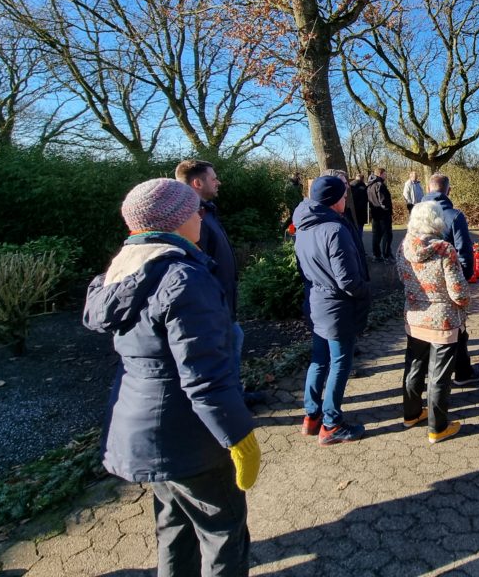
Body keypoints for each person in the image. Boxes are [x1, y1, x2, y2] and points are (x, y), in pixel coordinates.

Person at [84, 178, 259, 576]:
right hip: (190, 436)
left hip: (143, 431)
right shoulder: (183, 278)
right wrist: (239, 436)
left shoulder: (123, 272)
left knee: (173, 526)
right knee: (223, 532)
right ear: (177, 219)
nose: (202, 215)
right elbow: (205, 377)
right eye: (194, 209)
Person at [294, 175, 371, 445]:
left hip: (316, 302)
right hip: (337, 308)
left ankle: (311, 415)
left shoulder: (303, 226)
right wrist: (365, 290)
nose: (345, 199)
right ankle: (332, 423)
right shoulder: (334, 230)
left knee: (319, 360)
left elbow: (303, 270)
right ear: (333, 199)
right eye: (343, 195)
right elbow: (348, 280)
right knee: (339, 364)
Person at [174, 160, 256, 406]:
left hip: (223, 302)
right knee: (226, 348)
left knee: (234, 341)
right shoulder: (190, 218)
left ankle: (234, 396)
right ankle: (228, 404)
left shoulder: (206, 211)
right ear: (197, 183)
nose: (218, 181)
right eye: (213, 178)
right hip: (213, 306)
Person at [395, 200, 471, 444]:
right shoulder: (444, 249)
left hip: (415, 317)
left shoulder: (403, 246)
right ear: (437, 220)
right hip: (442, 321)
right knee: (439, 376)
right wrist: (464, 304)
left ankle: (411, 414)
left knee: (414, 367)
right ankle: (437, 428)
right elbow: (458, 291)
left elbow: (402, 278)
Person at [423, 173, 479, 386]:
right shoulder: (455, 216)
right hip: (448, 281)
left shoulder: (416, 214)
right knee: (457, 328)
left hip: (420, 281)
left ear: (428, 189)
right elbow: (465, 252)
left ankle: (427, 370)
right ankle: (462, 371)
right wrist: (464, 278)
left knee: (426, 328)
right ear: (448, 191)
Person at [366, 167, 394, 262]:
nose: (386, 175)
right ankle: (387, 255)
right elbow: (383, 201)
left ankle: (376, 255)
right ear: (381, 174)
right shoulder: (379, 185)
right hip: (383, 215)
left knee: (376, 235)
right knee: (387, 235)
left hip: (375, 214)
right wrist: (387, 210)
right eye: (385, 174)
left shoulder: (370, 185)